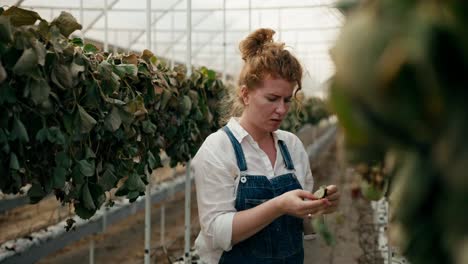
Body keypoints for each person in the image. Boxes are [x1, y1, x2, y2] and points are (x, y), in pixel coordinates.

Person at [192, 28, 340, 264]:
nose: (281, 109)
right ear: (245, 95)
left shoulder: (291, 146)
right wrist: (279, 205)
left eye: (287, 100)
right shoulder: (218, 149)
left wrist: (319, 208)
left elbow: (304, 225)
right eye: (272, 99)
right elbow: (218, 232)